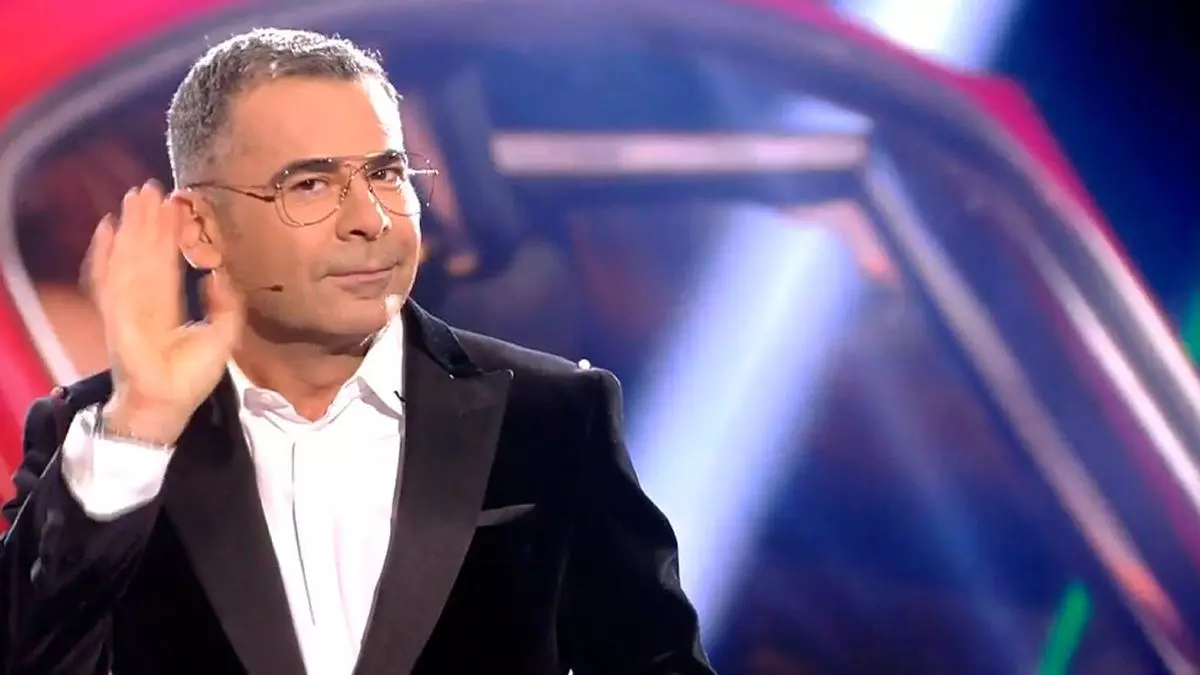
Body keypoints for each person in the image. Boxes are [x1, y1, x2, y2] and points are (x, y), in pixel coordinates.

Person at [0, 28, 715, 675]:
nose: (370, 220)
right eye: (309, 185)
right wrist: (143, 425)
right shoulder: (102, 445)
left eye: (386, 174)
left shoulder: (552, 414)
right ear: (201, 230)